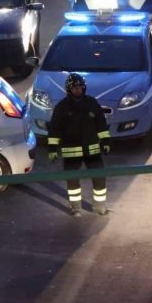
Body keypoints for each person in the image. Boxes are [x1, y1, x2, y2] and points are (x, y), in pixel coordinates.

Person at [47, 73, 112, 217]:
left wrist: (106, 141)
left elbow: (101, 124)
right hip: (72, 151)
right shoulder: (62, 107)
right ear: (69, 89)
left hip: (92, 150)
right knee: (72, 181)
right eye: (75, 88)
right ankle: (76, 207)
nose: (78, 90)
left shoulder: (92, 103)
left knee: (99, 177)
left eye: (80, 87)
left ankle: (100, 206)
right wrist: (52, 148)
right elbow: (54, 129)